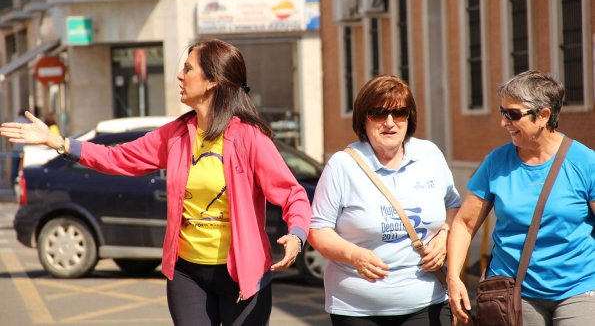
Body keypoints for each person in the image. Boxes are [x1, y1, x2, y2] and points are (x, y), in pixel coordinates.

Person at [0, 39, 312, 326]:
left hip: (244, 276)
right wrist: (58, 142)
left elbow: (293, 195)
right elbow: (118, 157)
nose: (179, 75)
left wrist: (296, 236)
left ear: (213, 81)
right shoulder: (175, 135)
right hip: (187, 274)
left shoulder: (249, 139)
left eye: (188, 69)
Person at [308, 75, 461, 326]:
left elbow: (453, 205)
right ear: (363, 120)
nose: (390, 122)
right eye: (379, 113)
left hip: (428, 303)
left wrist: (444, 235)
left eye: (399, 112)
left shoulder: (429, 155)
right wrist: (353, 254)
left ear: (408, 117)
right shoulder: (342, 165)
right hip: (357, 310)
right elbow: (318, 229)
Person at [447, 71, 595, 325]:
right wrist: (453, 277)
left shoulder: (585, 162)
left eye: (513, 114)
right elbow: (464, 223)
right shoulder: (497, 162)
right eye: (502, 112)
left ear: (544, 115)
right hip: (513, 291)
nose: (504, 122)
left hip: (578, 288)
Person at [10, 109, 30, 185]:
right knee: (23, 169)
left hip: (16, 149)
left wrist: (12, 145)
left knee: (14, 168)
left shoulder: (14, 121)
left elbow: (10, 138)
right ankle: (22, 184)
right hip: (24, 149)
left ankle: (13, 184)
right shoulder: (27, 122)